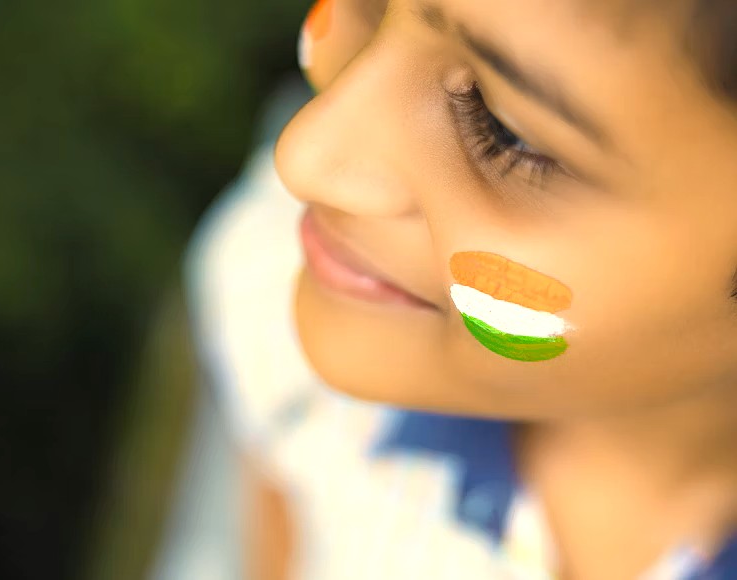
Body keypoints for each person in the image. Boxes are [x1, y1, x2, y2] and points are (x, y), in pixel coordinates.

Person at [184, 0, 737, 578]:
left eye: (501, 128)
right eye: (369, 9)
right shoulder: (280, 277)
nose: (303, 157)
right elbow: (282, 497)